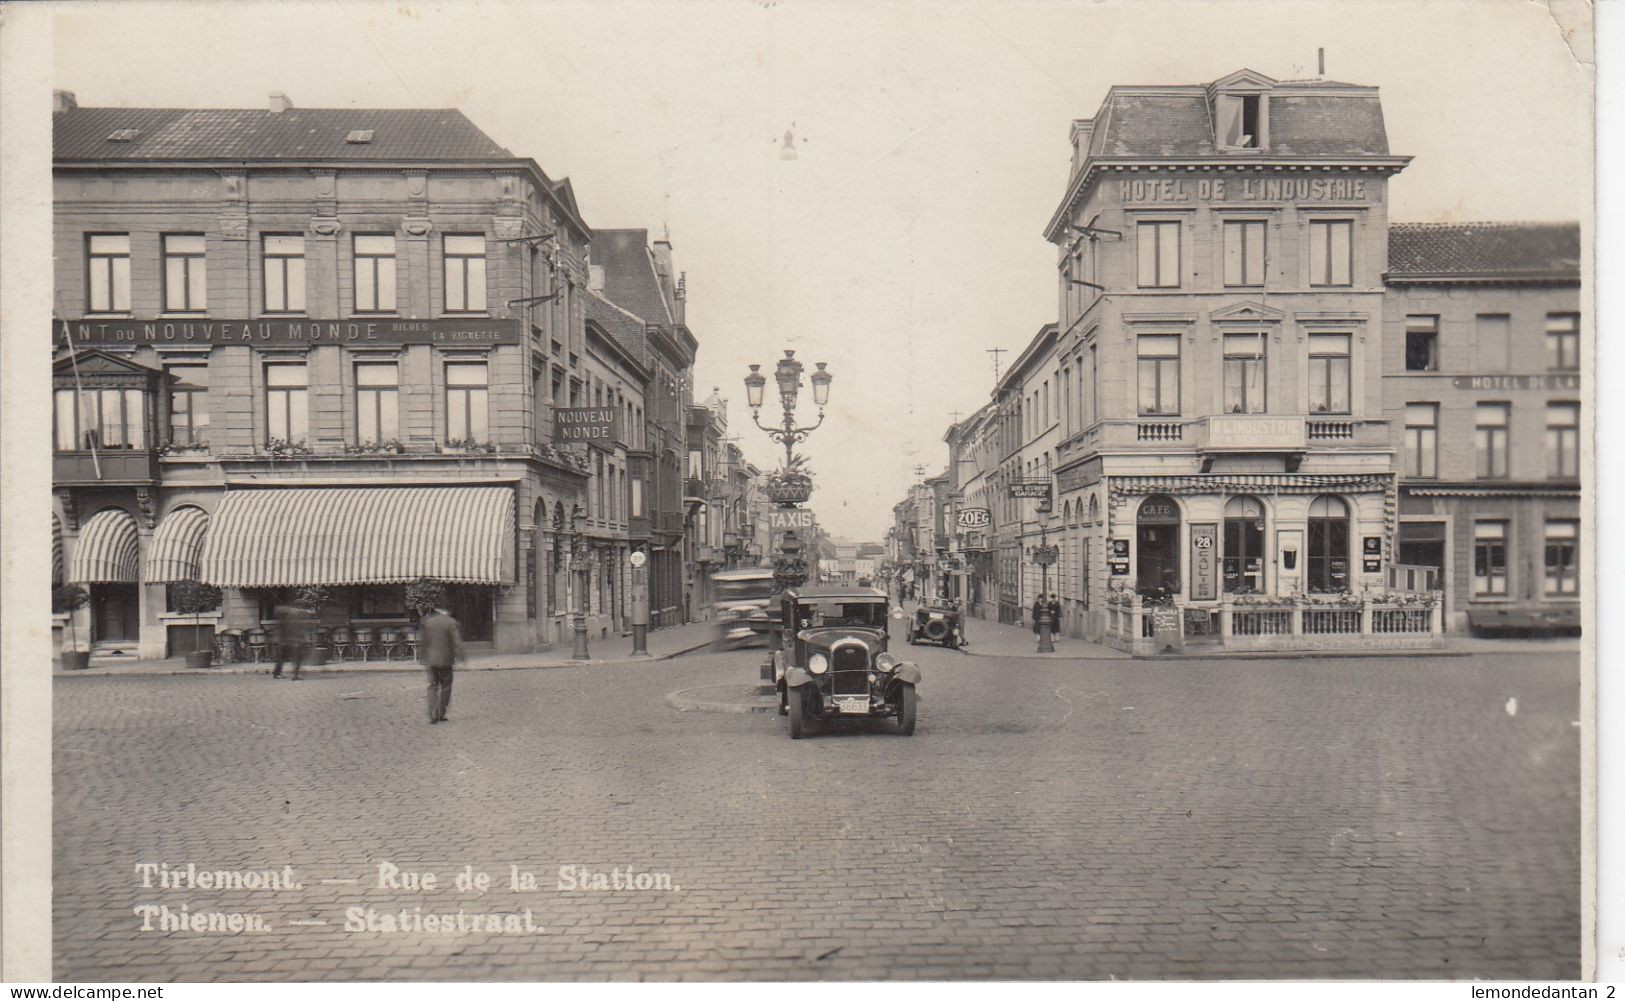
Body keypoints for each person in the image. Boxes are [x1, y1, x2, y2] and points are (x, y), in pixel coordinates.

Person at [417, 603, 466, 724]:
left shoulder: (429, 622)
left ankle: (432, 714)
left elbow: (424, 641)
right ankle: (441, 713)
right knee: (446, 687)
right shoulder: (451, 622)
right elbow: (456, 641)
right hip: (446, 660)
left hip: (431, 659)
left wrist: (422, 657)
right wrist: (461, 656)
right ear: (447, 610)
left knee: (432, 686)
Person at [271, 602, 310, 680]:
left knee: (283, 657)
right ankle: (295, 675)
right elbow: (295, 628)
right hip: (292, 640)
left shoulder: (287, 616)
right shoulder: (294, 616)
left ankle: (277, 673)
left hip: (285, 640)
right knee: (297, 657)